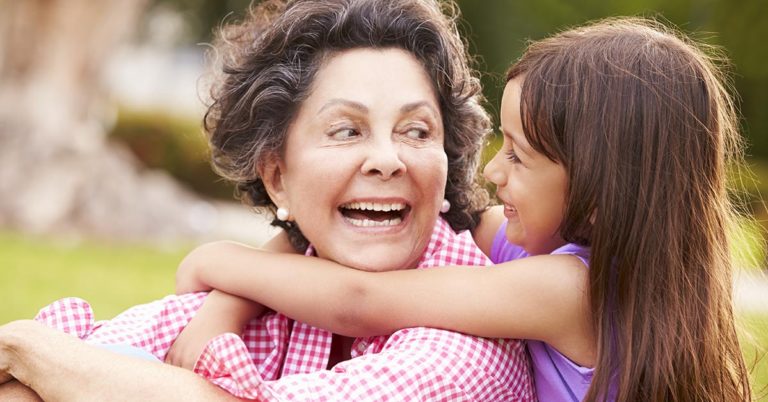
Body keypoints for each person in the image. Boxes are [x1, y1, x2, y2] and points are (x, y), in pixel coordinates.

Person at [170, 17, 754, 402]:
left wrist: (219, 262)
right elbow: (332, 234)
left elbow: (360, 303)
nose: (493, 171)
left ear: (600, 191)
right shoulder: (543, 250)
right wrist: (234, 301)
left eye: (520, 159)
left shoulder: (572, 288)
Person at [0, 0, 537, 400]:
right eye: (347, 131)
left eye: (416, 131)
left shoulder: (471, 347)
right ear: (277, 177)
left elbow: (61, 366)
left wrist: (29, 347)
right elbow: (74, 363)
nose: (387, 159)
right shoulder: (262, 296)